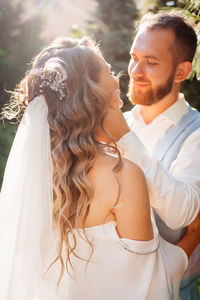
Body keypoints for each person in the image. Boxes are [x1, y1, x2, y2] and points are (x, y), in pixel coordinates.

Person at [0, 36, 199, 300]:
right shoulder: (122, 176)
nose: (118, 78)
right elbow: (150, 283)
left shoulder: (39, 172)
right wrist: (192, 239)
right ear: (91, 90)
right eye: (108, 70)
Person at [105, 11, 200, 300]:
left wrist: (124, 137)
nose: (134, 70)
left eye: (151, 62)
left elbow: (180, 216)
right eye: (135, 57)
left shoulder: (196, 133)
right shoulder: (119, 123)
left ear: (182, 72)